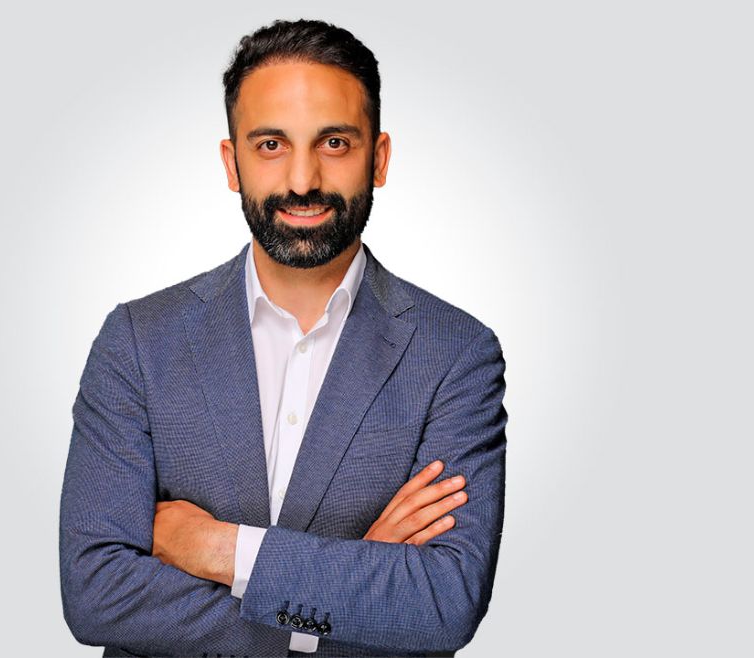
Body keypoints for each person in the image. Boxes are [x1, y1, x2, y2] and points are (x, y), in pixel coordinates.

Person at [59, 19, 508, 657]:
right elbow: (95, 593)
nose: (301, 180)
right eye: (271, 144)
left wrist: (217, 548)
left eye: (334, 142)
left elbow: (441, 603)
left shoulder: (455, 353)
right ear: (231, 161)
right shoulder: (137, 340)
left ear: (378, 159)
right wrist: (344, 592)